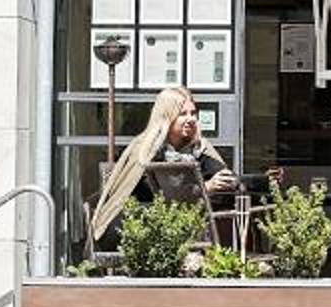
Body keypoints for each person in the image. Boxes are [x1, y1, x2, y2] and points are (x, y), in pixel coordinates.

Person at [88, 86, 236, 242]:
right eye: (183, 114)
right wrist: (207, 187)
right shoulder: (149, 149)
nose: (191, 119)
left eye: (193, 113)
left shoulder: (198, 147)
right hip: (130, 225)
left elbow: (224, 176)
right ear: (167, 117)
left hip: (172, 223)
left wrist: (227, 180)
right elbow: (172, 195)